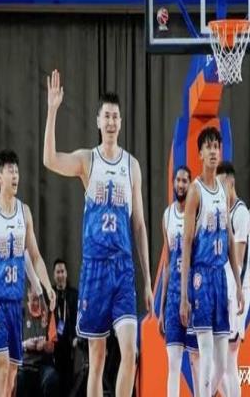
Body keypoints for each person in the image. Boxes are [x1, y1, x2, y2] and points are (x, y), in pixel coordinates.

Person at [43, 70, 154, 397]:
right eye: (106, 116)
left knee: (131, 353)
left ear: (121, 122)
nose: (111, 121)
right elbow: (50, 159)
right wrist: (52, 110)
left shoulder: (132, 166)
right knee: (97, 358)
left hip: (123, 269)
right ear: (98, 121)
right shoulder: (87, 160)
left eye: (115, 116)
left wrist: (148, 280)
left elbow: (139, 225)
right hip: (95, 269)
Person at [0, 150, 55, 396]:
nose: (15, 175)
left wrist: (46, 287)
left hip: (15, 304)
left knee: (11, 377)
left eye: (17, 171)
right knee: (1, 370)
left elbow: (34, 256)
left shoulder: (24, 212)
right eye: (10, 171)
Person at [179, 127, 243, 397]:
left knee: (222, 361)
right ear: (200, 153)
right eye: (208, 146)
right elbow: (186, 244)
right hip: (201, 277)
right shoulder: (195, 191)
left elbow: (229, 239)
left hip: (220, 277)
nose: (214, 151)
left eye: (216, 146)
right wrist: (184, 296)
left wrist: (238, 284)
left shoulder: (223, 190)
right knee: (205, 353)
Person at [158, 165, 200, 397]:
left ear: (190, 184)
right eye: (178, 180)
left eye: (185, 181)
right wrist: (162, 307)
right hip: (174, 297)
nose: (181, 185)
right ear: (173, 183)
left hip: (194, 295)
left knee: (196, 362)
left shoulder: (197, 214)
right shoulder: (167, 215)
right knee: (173, 364)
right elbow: (167, 263)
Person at [216, 161, 250, 397]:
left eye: (221, 185)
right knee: (224, 362)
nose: (218, 191)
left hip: (236, 292)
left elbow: (236, 260)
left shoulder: (240, 213)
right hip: (225, 291)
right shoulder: (223, 213)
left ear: (231, 182)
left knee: (228, 359)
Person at [16, 289, 60, 397]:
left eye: (38, 300)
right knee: (17, 379)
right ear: (28, 296)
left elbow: (52, 347)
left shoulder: (48, 314)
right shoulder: (20, 313)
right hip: (25, 364)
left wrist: (45, 345)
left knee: (52, 378)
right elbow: (11, 345)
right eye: (33, 299)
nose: (36, 303)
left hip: (43, 364)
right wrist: (25, 344)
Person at [52, 258, 78, 396]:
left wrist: (75, 337)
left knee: (69, 380)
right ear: (54, 275)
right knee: (54, 379)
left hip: (70, 343)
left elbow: (77, 319)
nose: (60, 275)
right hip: (53, 344)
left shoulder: (74, 295)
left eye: (62, 271)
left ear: (66, 273)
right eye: (58, 272)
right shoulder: (50, 294)